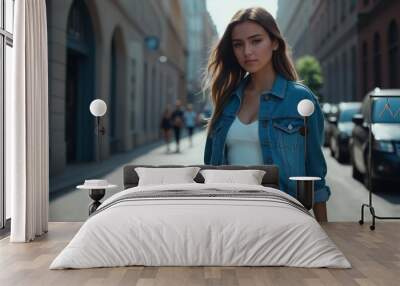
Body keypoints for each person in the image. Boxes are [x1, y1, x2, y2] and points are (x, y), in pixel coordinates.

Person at [203, 7, 329, 222]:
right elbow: (209, 170)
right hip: (229, 219)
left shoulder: (299, 99)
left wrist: (324, 231)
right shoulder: (227, 101)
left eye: (256, 41)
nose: (247, 51)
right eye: (238, 44)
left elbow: (314, 174)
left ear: (275, 42)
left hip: (283, 218)